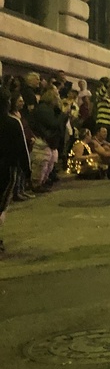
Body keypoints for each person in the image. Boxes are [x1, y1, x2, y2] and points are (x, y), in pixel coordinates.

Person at [0, 88, 31, 254]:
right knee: (1, 204)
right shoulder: (12, 122)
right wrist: (27, 170)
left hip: (6, 166)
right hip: (6, 168)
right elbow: (22, 149)